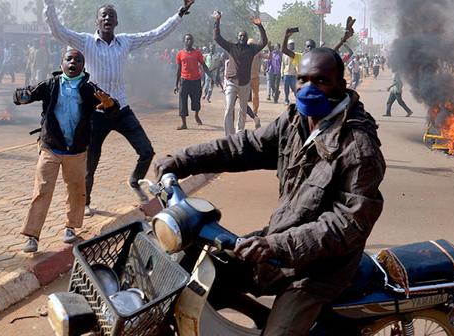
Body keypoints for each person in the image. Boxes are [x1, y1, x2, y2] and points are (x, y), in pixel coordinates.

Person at [154, 47, 385, 335]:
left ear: (340, 85)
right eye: (302, 79)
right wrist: (183, 160)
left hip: (320, 271)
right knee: (206, 276)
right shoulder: (294, 123)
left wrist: (276, 245)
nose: (308, 88)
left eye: (321, 81)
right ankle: (261, 316)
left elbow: (347, 225)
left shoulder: (358, 147)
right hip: (277, 245)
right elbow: (243, 147)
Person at [42, 0, 194, 212]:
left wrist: (180, 13)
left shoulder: (126, 42)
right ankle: (86, 203)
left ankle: (134, 180)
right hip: (94, 114)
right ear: (97, 22)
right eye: (103, 16)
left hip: (121, 110)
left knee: (146, 151)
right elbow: (57, 30)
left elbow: (155, 34)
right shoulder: (85, 42)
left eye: (111, 16)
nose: (107, 19)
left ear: (116, 22)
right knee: (90, 164)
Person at [15, 49, 118, 252]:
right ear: (61, 63)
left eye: (78, 60)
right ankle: (32, 236)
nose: (73, 62)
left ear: (83, 66)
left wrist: (110, 104)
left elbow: (111, 107)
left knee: (75, 191)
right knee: (42, 191)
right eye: (68, 59)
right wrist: (21, 96)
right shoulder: (51, 85)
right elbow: (24, 95)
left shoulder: (90, 89)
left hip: (77, 151)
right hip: (50, 147)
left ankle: (70, 228)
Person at [213, 10, 267, 136]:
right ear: (238, 38)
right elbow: (217, 38)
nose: (242, 37)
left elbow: (263, 42)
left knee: (243, 110)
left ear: (247, 38)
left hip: (245, 84)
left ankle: (239, 132)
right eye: (240, 36)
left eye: (244, 36)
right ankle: (229, 135)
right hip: (232, 82)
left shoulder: (252, 49)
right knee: (228, 108)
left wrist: (260, 26)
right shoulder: (232, 47)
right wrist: (217, 21)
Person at [174, 34, 211, 130]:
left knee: (196, 100)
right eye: (187, 39)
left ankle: (196, 115)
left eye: (191, 39)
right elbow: (179, 69)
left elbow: (203, 64)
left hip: (196, 80)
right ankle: (184, 124)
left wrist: (210, 75)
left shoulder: (197, 53)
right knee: (182, 101)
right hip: (184, 80)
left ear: (193, 41)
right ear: (184, 41)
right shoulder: (180, 54)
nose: (189, 41)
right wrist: (176, 84)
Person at [248, 37, 262, 128]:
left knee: (255, 95)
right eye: (250, 44)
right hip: (245, 77)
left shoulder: (258, 53)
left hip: (255, 77)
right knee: (243, 97)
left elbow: (269, 57)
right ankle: (245, 112)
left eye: (253, 44)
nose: (251, 46)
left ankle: (255, 111)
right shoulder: (244, 52)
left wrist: (271, 51)